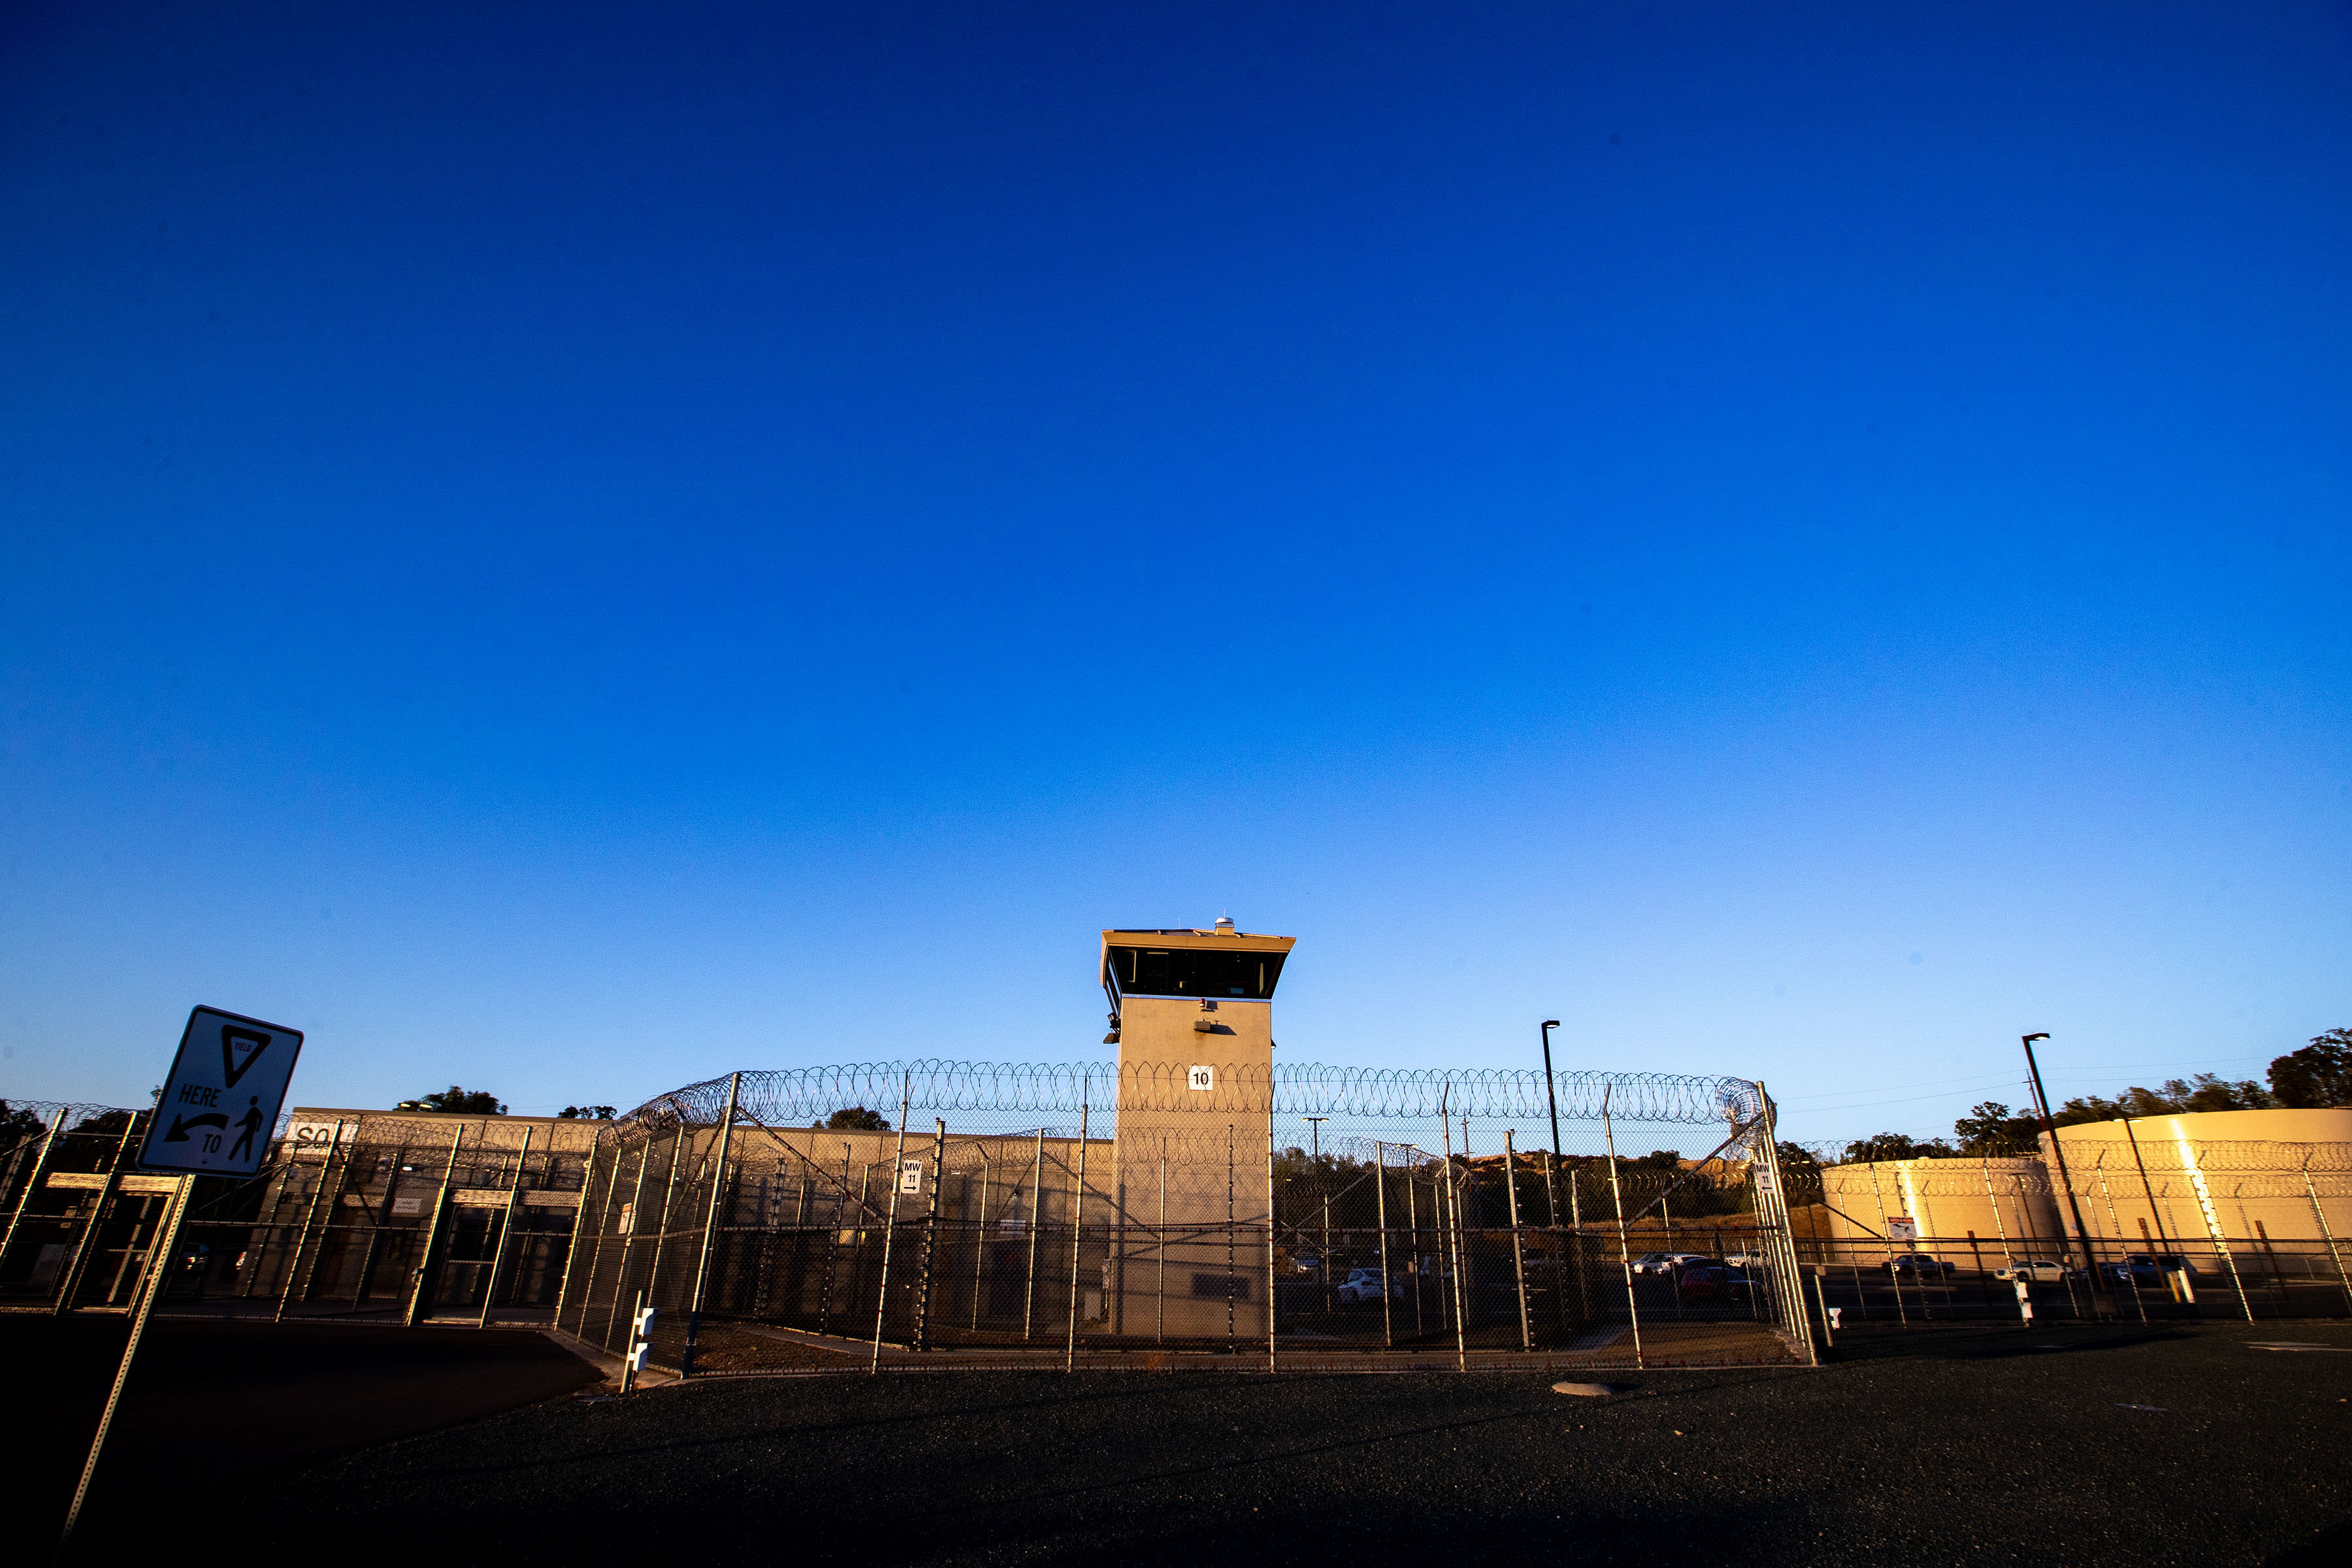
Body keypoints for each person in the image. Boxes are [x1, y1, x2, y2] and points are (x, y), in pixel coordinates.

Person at [229, 1095, 265, 1163]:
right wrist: (236, 1125)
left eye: (252, 1101)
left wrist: (258, 1128)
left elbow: (260, 1117)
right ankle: (246, 1161)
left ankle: (231, 1158)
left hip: (250, 1131)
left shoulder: (255, 1110)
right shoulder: (252, 1110)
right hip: (249, 1130)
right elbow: (246, 1120)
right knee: (248, 1146)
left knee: (241, 1143)